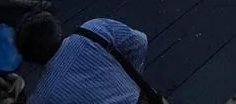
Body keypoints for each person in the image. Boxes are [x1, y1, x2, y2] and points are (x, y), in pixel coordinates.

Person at [17, 12, 154, 104]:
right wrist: (131, 75)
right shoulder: (93, 30)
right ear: (56, 30)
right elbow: (139, 41)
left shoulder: (43, 97)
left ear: (30, 59)